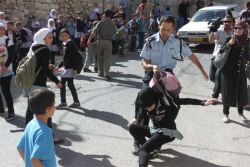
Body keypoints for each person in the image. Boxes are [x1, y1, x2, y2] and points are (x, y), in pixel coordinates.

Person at [134, 15, 208, 151]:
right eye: (163, 29)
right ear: (159, 26)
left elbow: (191, 55)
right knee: (141, 103)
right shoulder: (150, 41)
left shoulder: (177, 42)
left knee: (174, 106)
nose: (165, 33)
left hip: (168, 76)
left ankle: (159, 138)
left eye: (168, 30)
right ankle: (138, 140)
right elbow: (144, 63)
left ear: (173, 28)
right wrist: (152, 67)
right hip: (151, 75)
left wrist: (202, 70)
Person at [128, 86, 183, 167]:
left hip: (168, 134)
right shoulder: (144, 102)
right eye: (146, 109)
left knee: (142, 150)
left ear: (154, 99)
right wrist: (135, 118)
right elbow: (138, 104)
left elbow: (183, 101)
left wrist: (202, 102)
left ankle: (147, 150)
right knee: (132, 127)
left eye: (150, 107)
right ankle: (150, 151)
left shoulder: (165, 102)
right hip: (156, 131)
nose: (149, 110)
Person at [24, 28, 62, 125]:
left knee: (30, 108)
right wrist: (57, 81)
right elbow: (45, 70)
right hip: (39, 83)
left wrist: (46, 65)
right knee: (47, 110)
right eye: (49, 37)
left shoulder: (33, 46)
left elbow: (37, 63)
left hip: (29, 81)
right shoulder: (45, 50)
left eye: (52, 37)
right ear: (42, 38)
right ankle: (50, 136)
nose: (51, 39)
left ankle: (28, 132)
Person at [17, 89, 56, 167]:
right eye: (54, 105)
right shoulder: (45, 132)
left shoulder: (31, 124)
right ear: (48, 109)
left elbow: (19, 147)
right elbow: (34, 160)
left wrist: (28, 164)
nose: (55, 108)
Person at [219, 20, 249, 123]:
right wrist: (229, 44)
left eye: (240, 28)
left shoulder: (247, 41)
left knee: (240, 92)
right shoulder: (229, 39)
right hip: (227, 71)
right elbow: (221, 52)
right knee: (226, 92)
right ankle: (226, 114)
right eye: (235, 28)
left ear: (245, 30)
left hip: (240, 71)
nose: (237, 30)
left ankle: (241, 113)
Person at [208, 15, 234, 99]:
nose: (226, 23)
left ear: (232, 23)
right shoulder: (219, 30)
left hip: (224, 57)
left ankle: (215, 95)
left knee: (218, 75)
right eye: (225, 21)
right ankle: (223, 87)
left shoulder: (234, 32)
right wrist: (212, 30)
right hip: (215, 55)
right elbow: (211, 40)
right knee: (212, 77)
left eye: (228, 22)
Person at [87, 9, 116, 81]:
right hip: (109, 42)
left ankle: (101, 72)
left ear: (105, 14)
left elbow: (94, 32)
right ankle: (107, 74)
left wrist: (89, 40)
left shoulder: (101, 22)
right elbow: (115, 32)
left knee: (99, 57)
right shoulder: (113, 23)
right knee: (107, 58)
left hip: (100, 41)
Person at [55, 28, 80, 108]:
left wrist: (75, 69)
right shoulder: (65, 43)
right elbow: (65, 58)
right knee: (70, 85)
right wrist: (58, 66)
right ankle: (76, 102)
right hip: (67, 68)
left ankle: (63, 103)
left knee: (62, 84)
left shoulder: (70, 44)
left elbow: (75, 57)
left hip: (70, 68)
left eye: (65, 35)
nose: (64, 37)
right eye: (62, 36)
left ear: (68, 35)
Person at [0, 23, 15, 121]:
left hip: (6, 69)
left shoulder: (7, 40)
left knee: (6, 91)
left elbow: (12, 55)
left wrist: (5, 66)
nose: (0, 30)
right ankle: (1, 109)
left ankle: (11, 112)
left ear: (4, 30)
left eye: (1, 29)